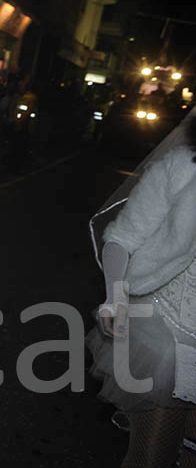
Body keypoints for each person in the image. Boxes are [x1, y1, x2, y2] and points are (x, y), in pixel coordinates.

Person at [88, 109, 196, 468]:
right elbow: (122, 239)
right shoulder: (181, 167)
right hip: (168, 334)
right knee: (154, 459)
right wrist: (116, 299)